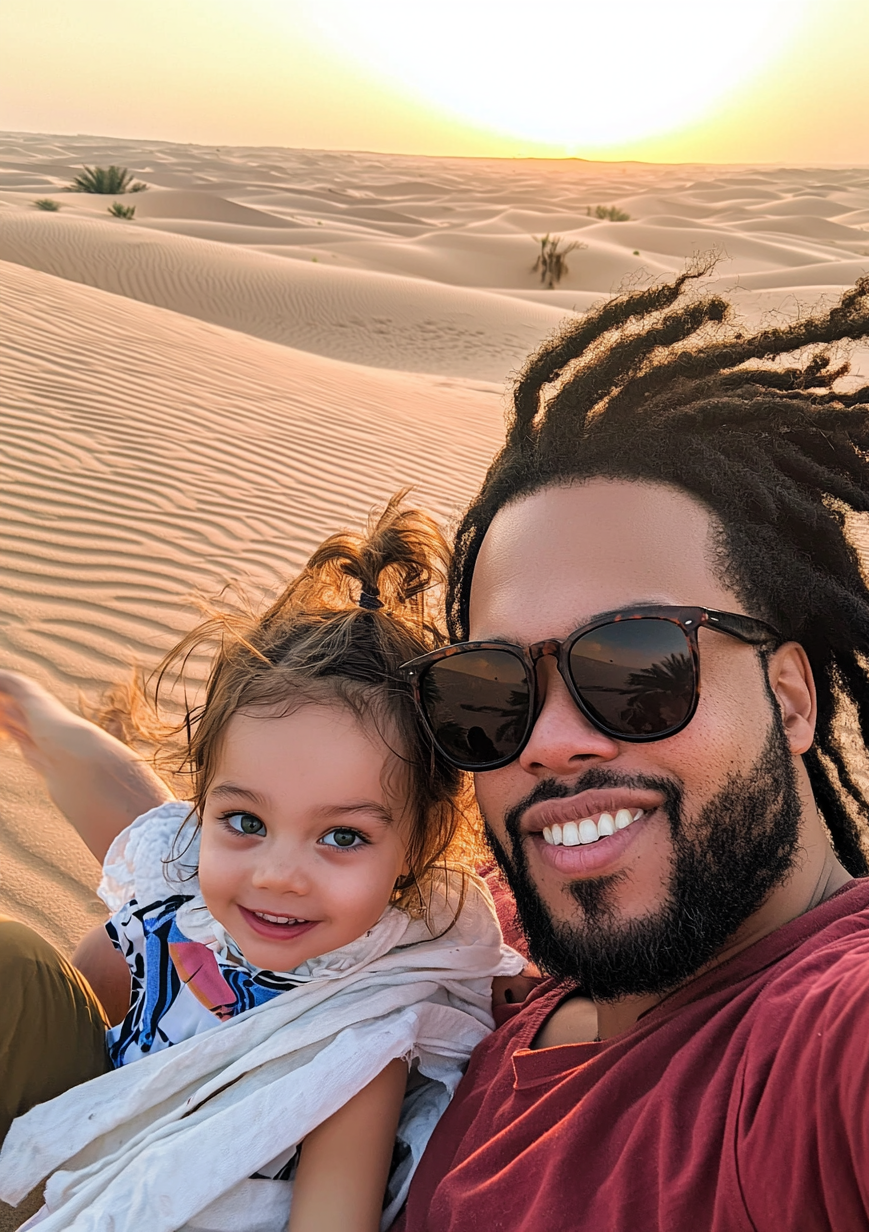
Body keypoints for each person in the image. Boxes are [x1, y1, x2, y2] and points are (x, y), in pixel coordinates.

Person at [392, 255, 869, 1230]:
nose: (549, 742)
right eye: (492, 691)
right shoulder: (485, 937)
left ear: (790, 697)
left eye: (635, 664)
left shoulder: (853, 1037)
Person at [0, 497, 521, 1232]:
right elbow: (101, 778)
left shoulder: (354, 1046)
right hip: (71, 1140)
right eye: (245, 821)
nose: (278, 873)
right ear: (203, 807)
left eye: (341, 838)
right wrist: (27, 707)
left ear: (416, 851)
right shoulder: (179, 905)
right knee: (19, 961)